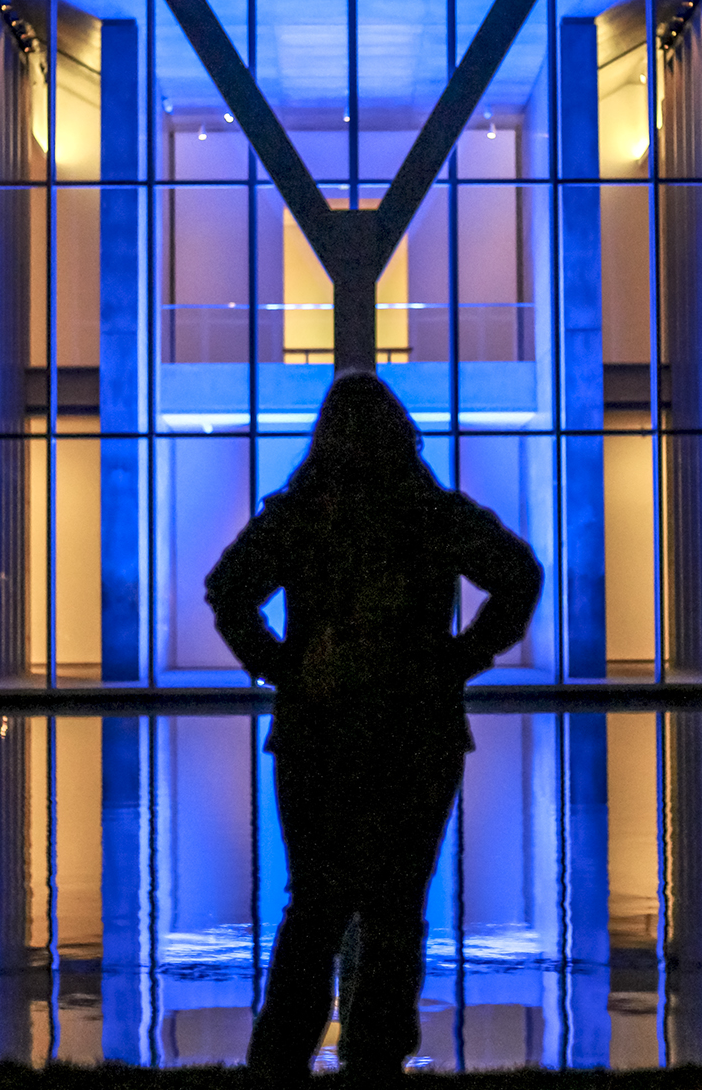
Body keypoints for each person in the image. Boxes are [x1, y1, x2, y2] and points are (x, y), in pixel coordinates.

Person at [205, 372, 543, 1085]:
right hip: (416, 728)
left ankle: (280, 1060)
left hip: (318, 728)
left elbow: (226, 590)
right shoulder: (432, 512)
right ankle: (374, 1059)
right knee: (395, 906)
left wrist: (284, 667)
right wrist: (462, 658)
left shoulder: (301, 514)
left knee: (315, 906)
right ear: (401, 433)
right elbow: (520, 574)